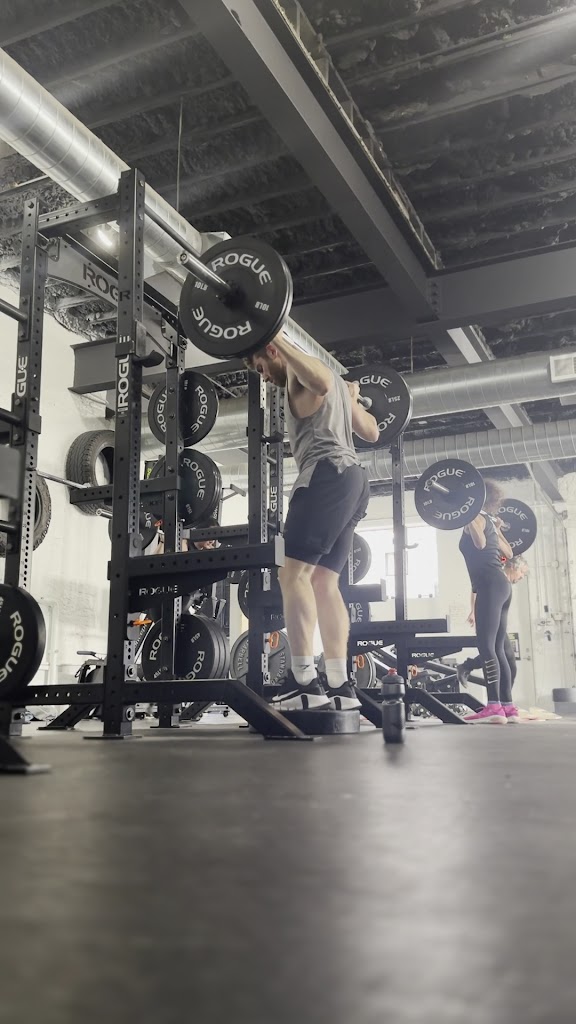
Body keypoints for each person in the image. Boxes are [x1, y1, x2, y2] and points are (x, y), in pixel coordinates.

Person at [244, 333, 378, 711]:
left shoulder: (299, 374)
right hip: (354, 481)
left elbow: (318, 381)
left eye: (261, 367)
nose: (264, 376)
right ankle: (340, 684)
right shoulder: (335, 386)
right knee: (324, 581)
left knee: (292, 575)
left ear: (273, 350)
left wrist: (273, 333)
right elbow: (371, 431)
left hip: (324, 476)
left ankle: (303, 680)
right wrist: (350, 400)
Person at [457, 480, 515, 724]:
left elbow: (480, 544)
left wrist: (469, 517)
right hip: (502, 585)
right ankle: (508, 707)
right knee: (498, 648)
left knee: (486, 646)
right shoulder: (490, 520)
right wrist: (498, 529)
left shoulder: (475, 518)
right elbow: (509, 552)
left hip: (490, 585)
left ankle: (493, 706)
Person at [457, 556, 529, 716]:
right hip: (490, 599)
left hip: (498, 596)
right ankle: (498, 704)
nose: (522, 577)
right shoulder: (492, 572)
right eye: (522, 573)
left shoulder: (504, 584)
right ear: (514, 567)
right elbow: (475, 589)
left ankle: (504, 704)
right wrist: (473, 611)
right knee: (492, 650)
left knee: (507, 658)